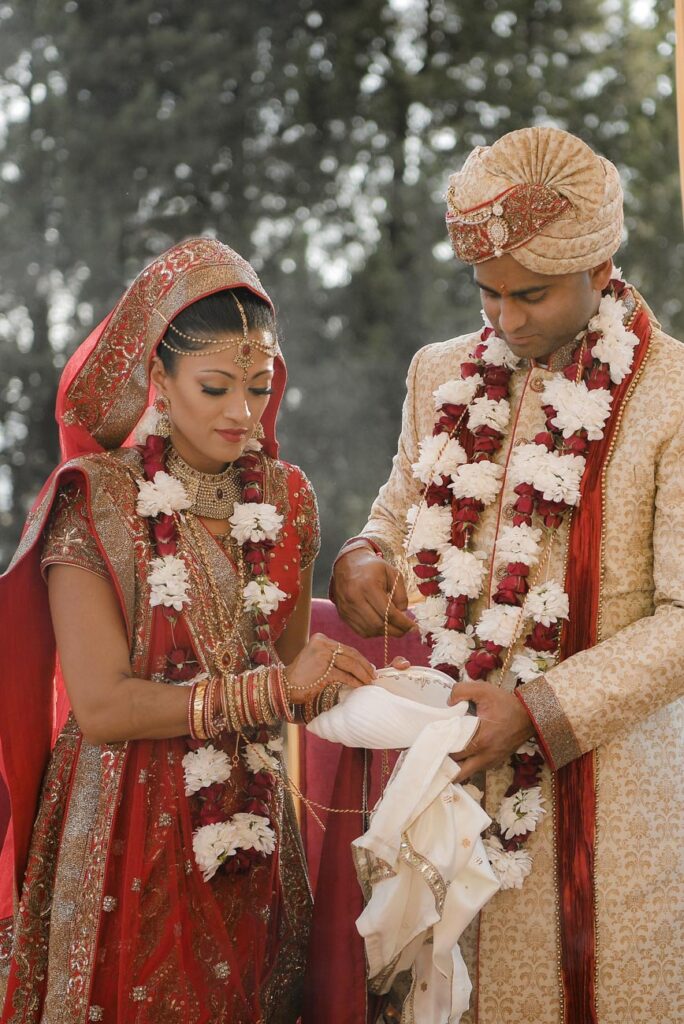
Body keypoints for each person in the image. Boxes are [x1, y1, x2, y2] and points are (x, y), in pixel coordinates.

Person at [317, 127, 684, 1023]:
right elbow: (396, 517)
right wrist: (361, 557)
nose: (508, 320)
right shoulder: (439, 373)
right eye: (487, 294)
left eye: (533, 294)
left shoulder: (672, 392)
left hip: (612, 805)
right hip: (440, 791)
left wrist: (538, 712)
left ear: (601, 267)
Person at [0, 237, 375, 1023]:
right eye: (215, 387)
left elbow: (290, 660)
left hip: (251, 817)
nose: (244, 413)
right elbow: (102, 708)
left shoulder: (286, 497)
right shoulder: (94, 500)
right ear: (158, 382)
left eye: (259, 386)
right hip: (122, 824)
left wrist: (359, 687)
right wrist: (276, 689)